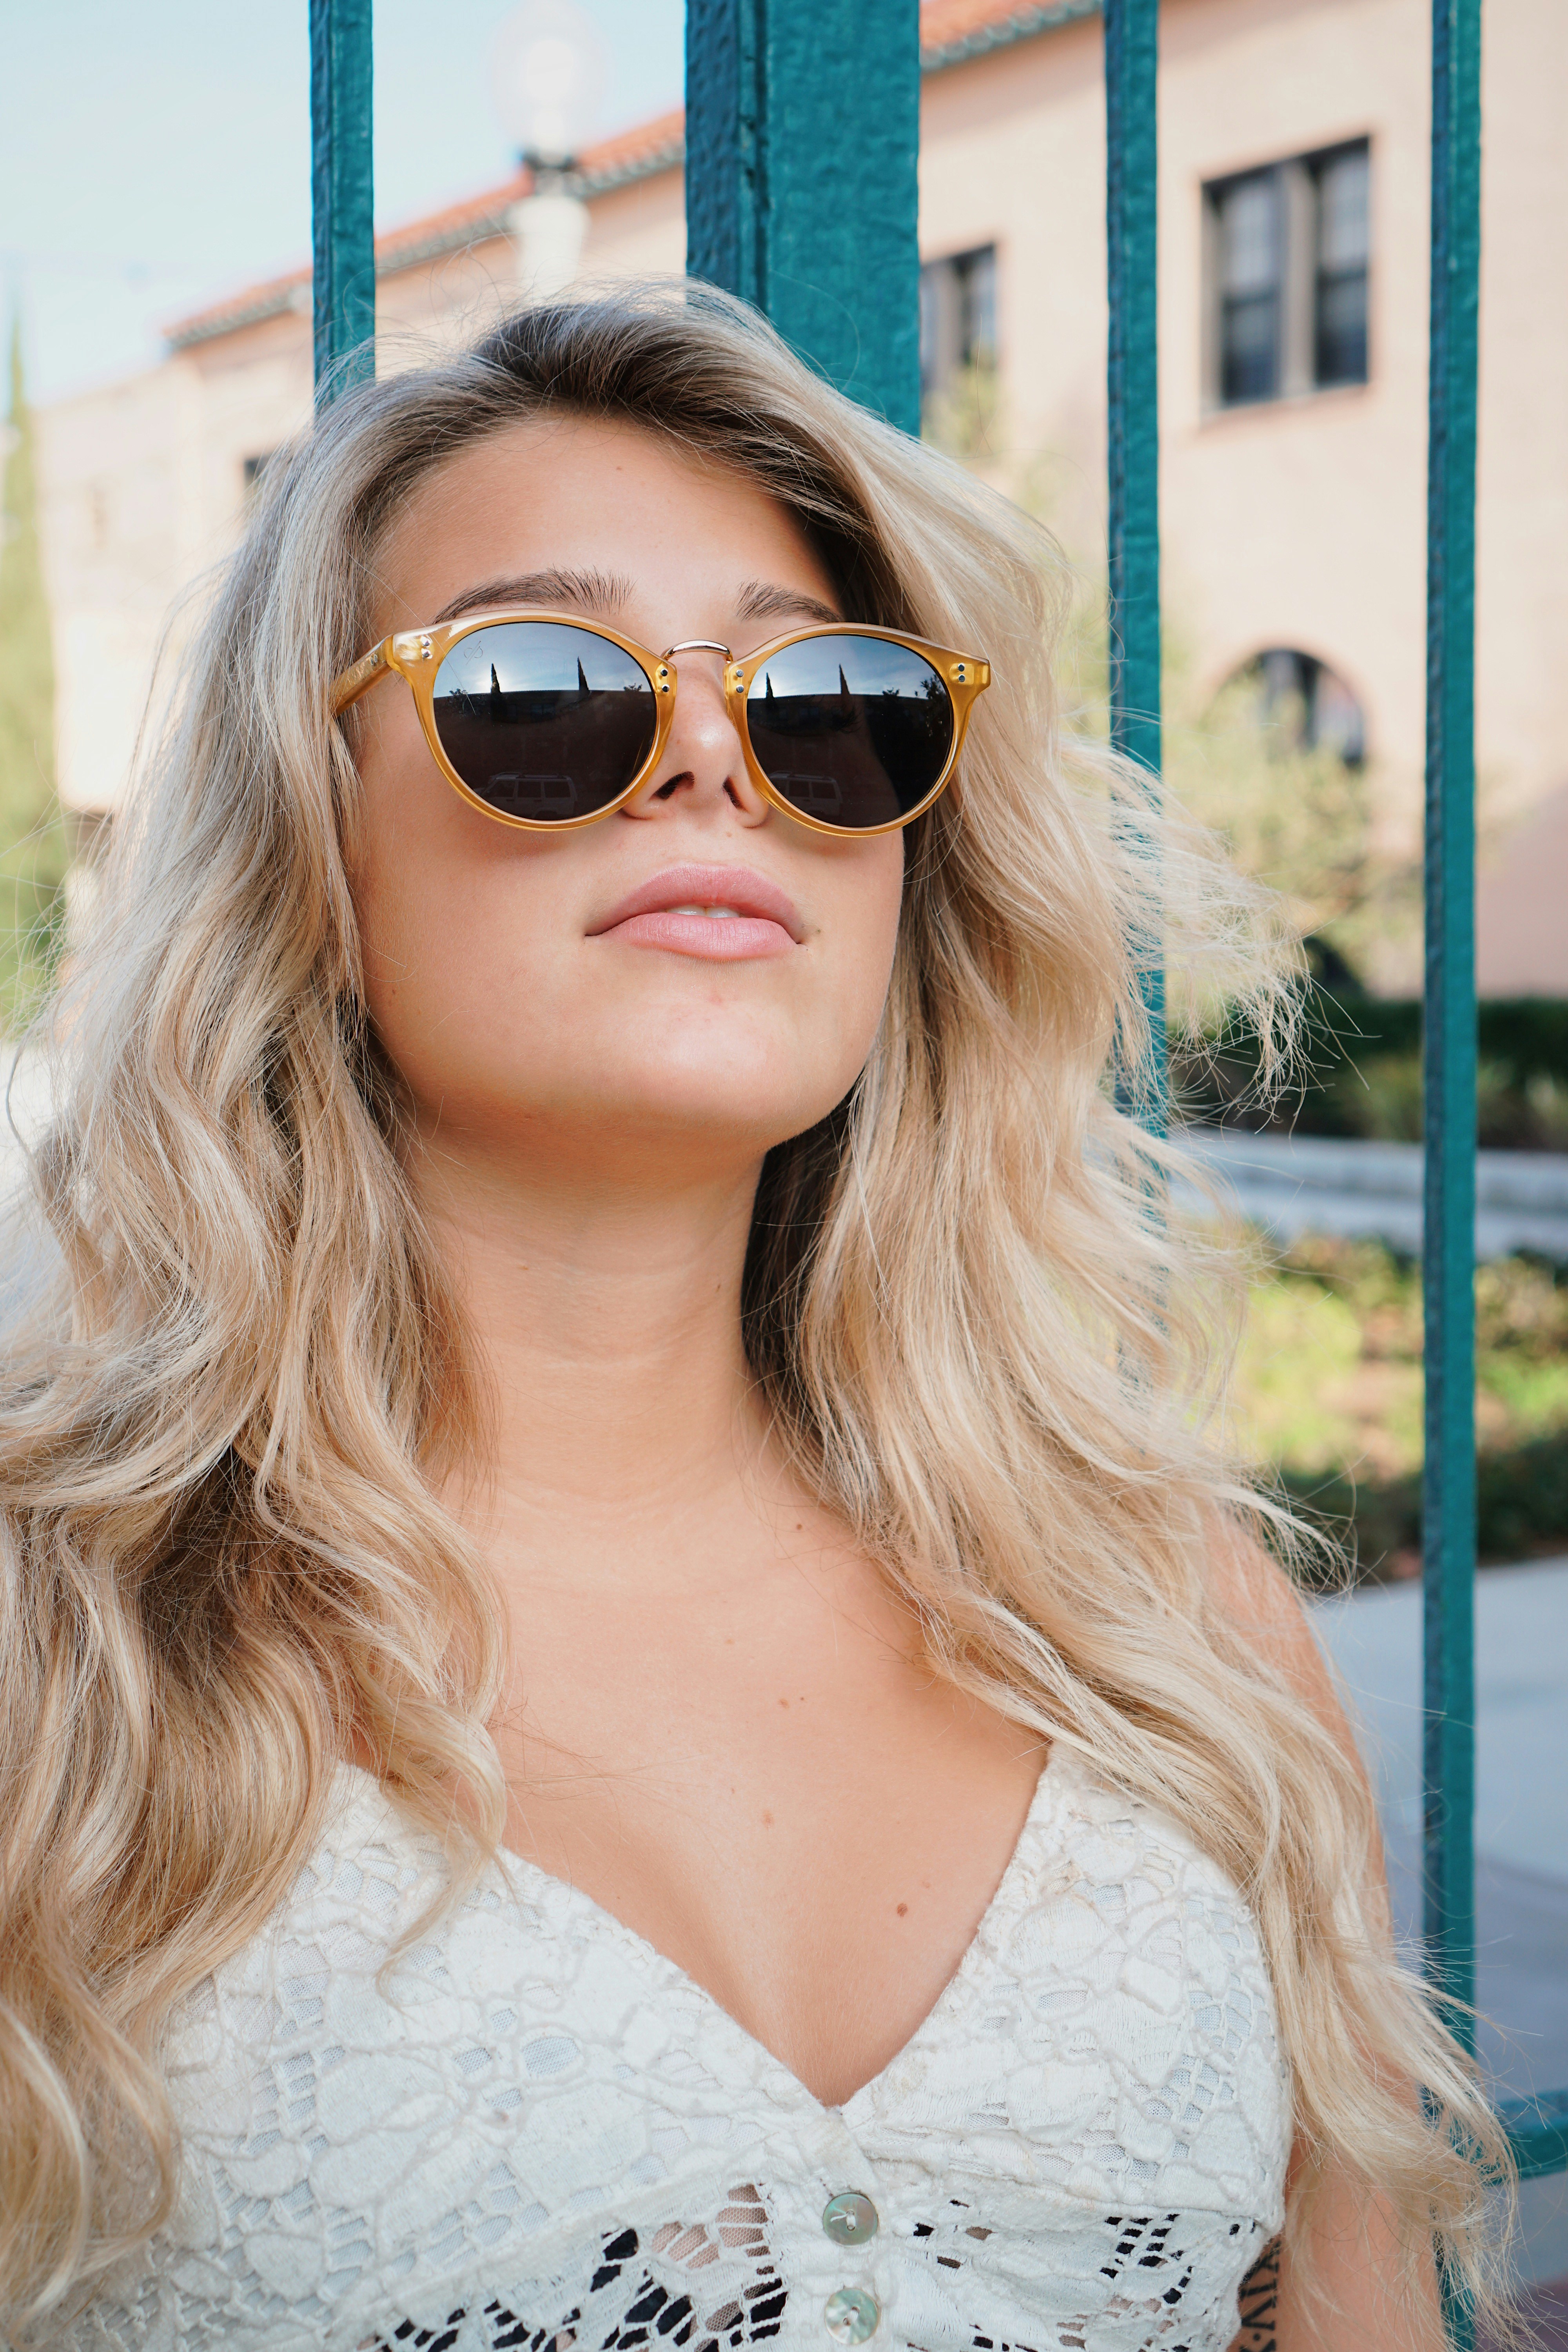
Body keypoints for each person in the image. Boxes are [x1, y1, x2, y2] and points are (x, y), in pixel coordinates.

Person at [0, 288, 1510, 2351]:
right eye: (541, 689)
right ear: (310, 834)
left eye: (832, 710)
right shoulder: (55, 1662)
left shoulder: (1174, 1629)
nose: (717, 756)